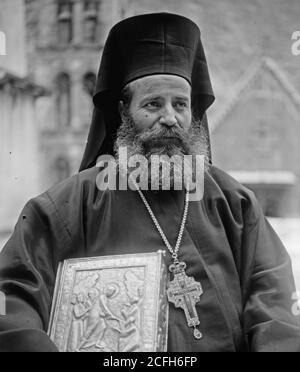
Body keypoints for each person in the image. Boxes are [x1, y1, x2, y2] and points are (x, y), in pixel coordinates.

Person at [0, 13, 300, 352]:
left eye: (181, 104)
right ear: (124, 111)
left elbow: (276, 303)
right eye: (153, 104)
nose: (170, 118)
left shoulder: (234, 203)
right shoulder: (66, 207)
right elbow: (11, 302)